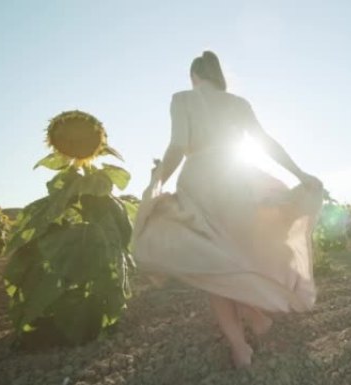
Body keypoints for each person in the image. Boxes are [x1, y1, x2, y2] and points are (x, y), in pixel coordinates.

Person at [132, 50, 324, 368]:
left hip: (200, 182)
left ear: (194, 76)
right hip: (239, 181)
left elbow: (178, 146)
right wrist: (299, 174)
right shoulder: (239, 104)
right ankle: (256, 318)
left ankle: (240, 346)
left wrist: (157, 182)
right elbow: (266, 142)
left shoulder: (183, 99)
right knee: (234, 255)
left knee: (216, 263)